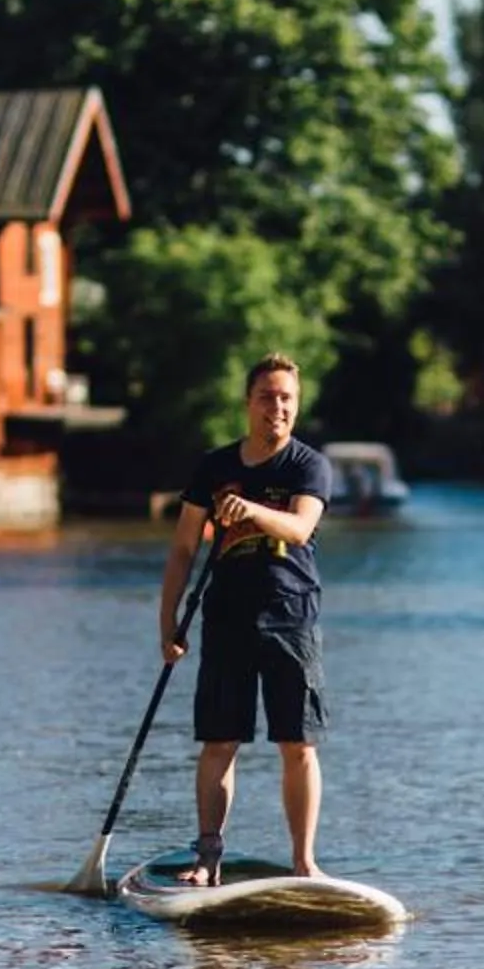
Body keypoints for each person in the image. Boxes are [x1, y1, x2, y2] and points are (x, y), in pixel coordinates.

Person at [158, 355, 336, 885]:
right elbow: (183, 549)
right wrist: (168, 624)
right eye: (266, 397)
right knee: (220, 741)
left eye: (286, 399)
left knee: (298, 744)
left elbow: (301, 528)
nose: (276, 408)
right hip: (225, 618)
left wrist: (250, 511)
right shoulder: (214, 467)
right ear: (248, 403)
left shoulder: (309, 466)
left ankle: (304, 864)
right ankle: (207, 859)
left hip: (291, 616)